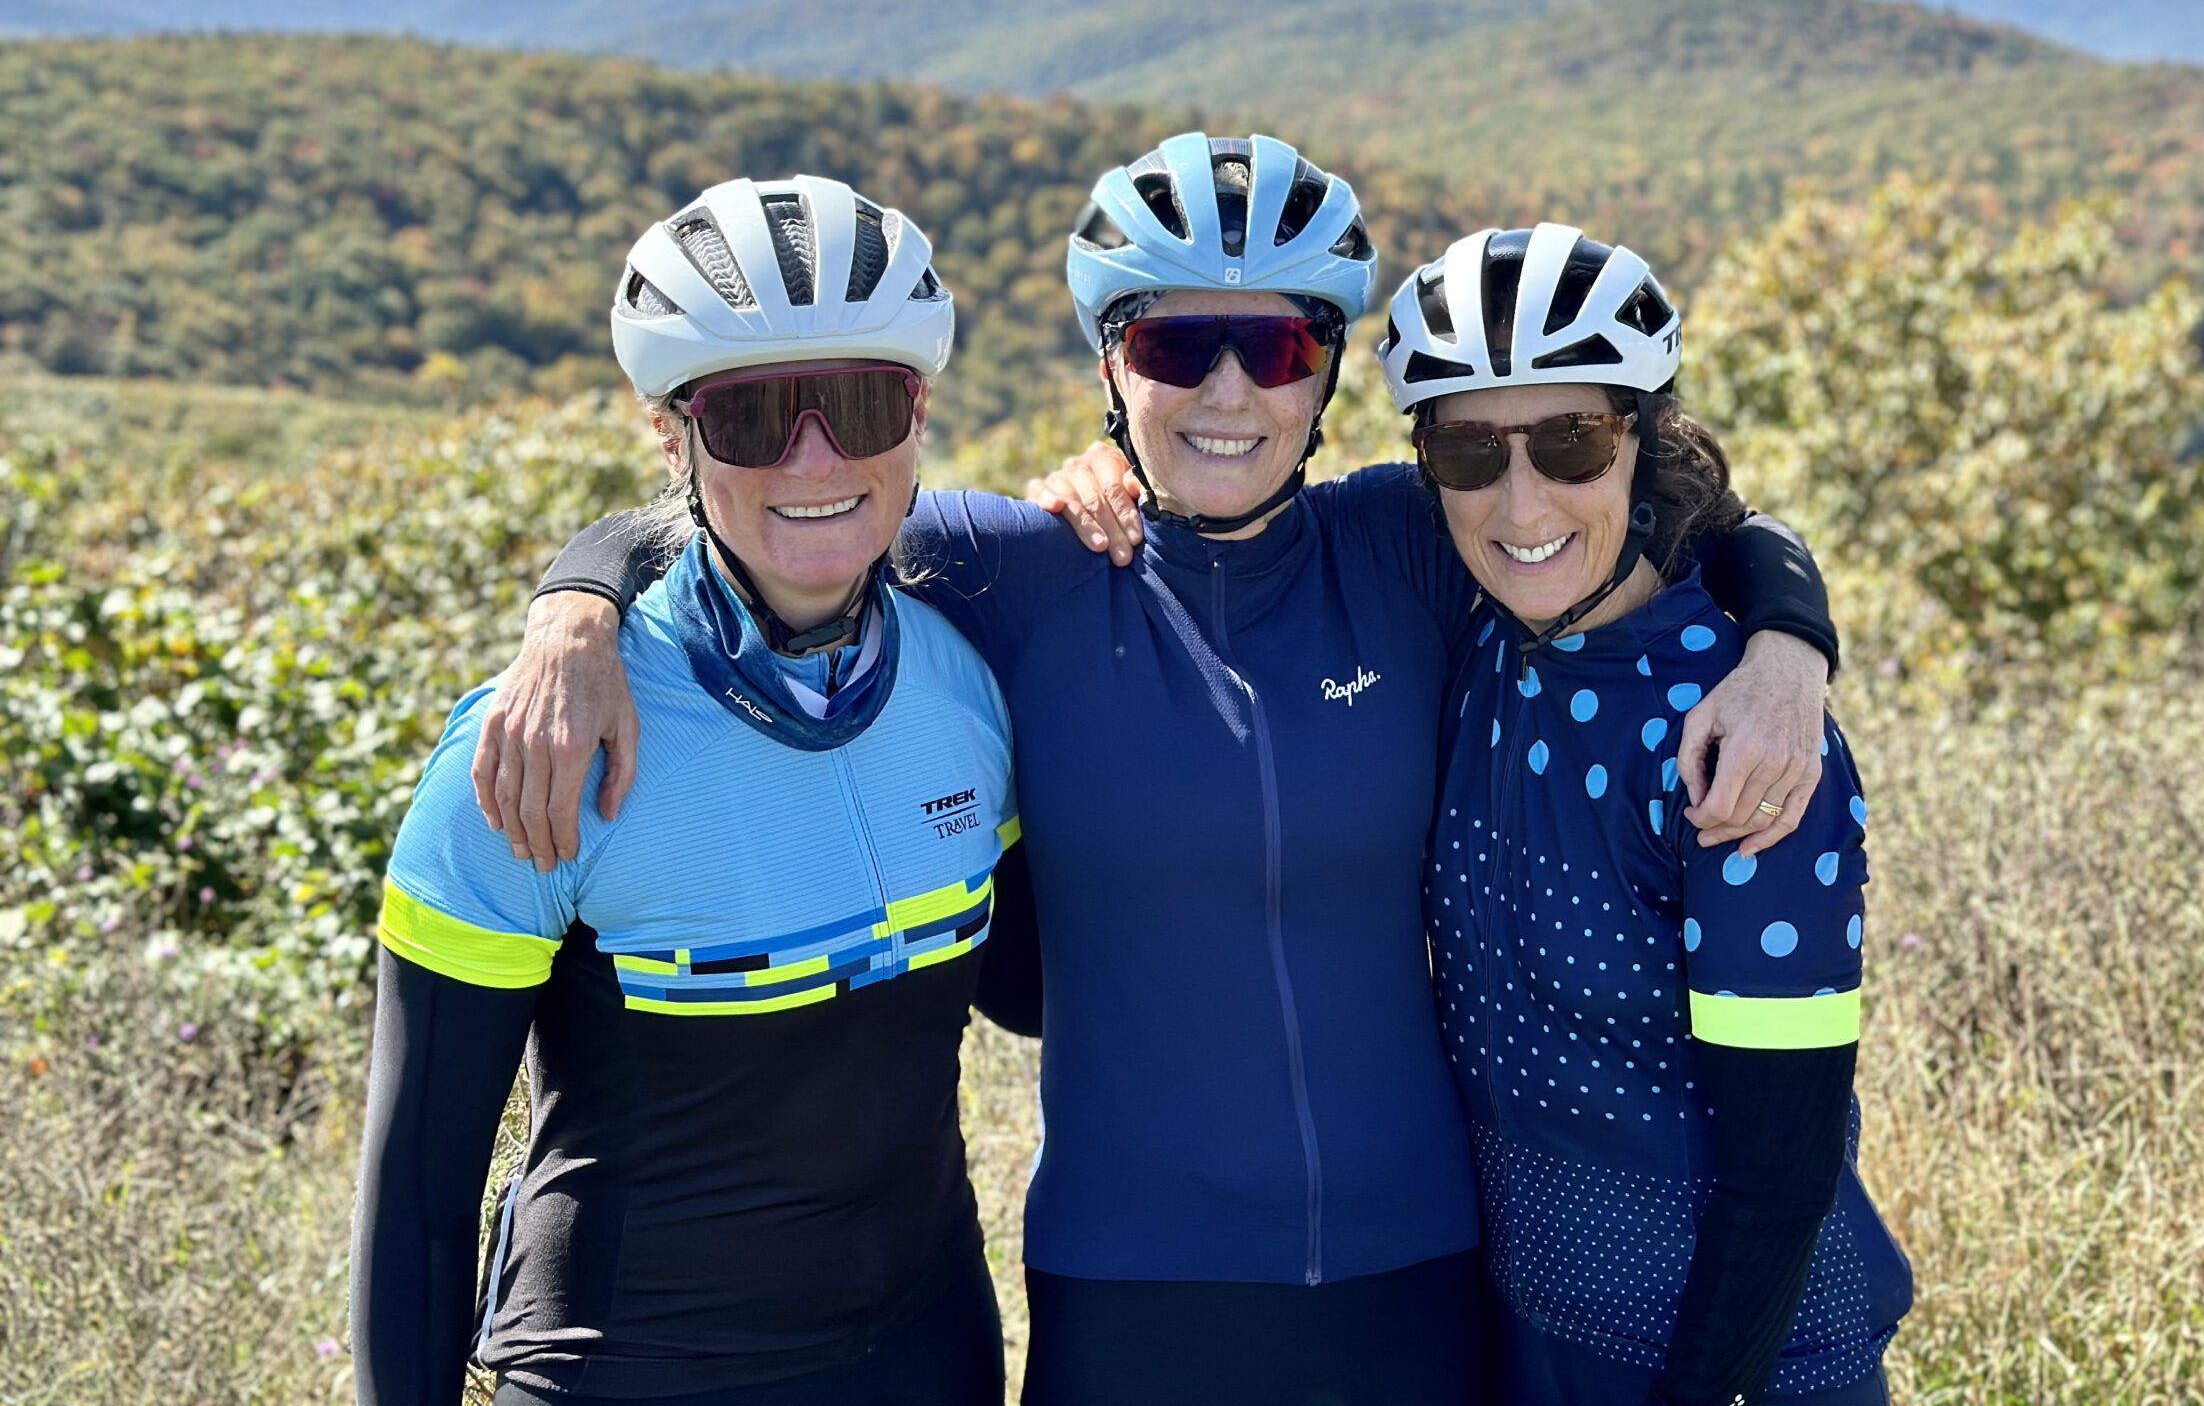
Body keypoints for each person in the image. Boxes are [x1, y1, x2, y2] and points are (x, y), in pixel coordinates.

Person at [482, 135, 1843, 1406]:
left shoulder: (1406, 542)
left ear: (1327, 371)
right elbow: (783, 511)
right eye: (1179, 342)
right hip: (1129, 1283)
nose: (1230, 390)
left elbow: (1650, 510)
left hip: (1418, 1269)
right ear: (1112, 363)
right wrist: (577, 604)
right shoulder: (1009, 569)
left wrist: (1790, 641)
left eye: (1282, 342)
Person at [351, 177, 1019, 1406]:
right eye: (752, 418)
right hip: (631, 1371)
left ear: (918, 418)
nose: (814, 458)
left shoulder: (975, 682)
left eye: (863, 404)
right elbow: (418, 1199)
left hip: (928, 1355)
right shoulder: (535, 748)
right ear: (674, 438)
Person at [1384, 224, 1910, 1406]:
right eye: (1469, 452)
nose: (1520, 500)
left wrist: (1787, 649)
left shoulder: (1738, 733)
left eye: (1572, 441)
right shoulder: (1476, 637)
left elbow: (1782, 1175)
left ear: (1642, 446)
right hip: (1527, 1337)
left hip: (1746, 1362)